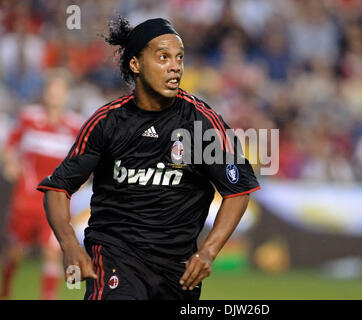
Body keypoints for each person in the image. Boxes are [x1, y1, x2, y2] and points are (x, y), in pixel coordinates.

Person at [37, 17, 260, 300]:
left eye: (179, 57)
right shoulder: (107, 122)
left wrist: (208, 251)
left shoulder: (202, 123)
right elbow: (58, 188)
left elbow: (239, 189)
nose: (175, 66)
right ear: (136, 65)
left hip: (177, 271)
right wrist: (69, 244)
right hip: (116, 258)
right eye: (163, 57)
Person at [1, 70, 82, 299]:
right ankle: (5, 291)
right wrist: (10, 163)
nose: (54, 94)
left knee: (51, 251)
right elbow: (9, 148)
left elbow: (81, 162)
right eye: (51, 89)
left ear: (66, 94)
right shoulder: (29, 118)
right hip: (26, 198)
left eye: (59, 90)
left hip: (56, 201)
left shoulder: (74, 126)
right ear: (45, 92)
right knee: (15, 253)